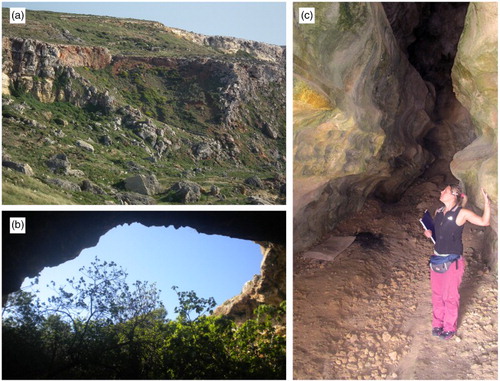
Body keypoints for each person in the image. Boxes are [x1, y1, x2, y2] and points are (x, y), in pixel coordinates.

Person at [423, 184, 490, 340]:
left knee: (450, 296)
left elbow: (484, 222)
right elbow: (438, 228)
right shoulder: (439, 212)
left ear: (453, 195)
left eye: (444, 190)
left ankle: (449, 327)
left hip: (453, 261)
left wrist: (487, 203)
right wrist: (429, 232)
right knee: (437, 295)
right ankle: (437, 324)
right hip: (437, 259)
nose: (441, 191)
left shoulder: (463, 213)